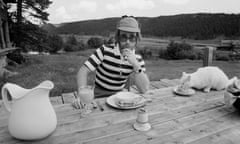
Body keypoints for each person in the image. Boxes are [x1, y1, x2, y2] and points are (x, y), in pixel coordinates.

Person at [76, 15, 150, 99]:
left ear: (137, 38)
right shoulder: (104, 50)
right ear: (118, 37)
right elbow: (83, 70)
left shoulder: (137, 58)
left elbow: (144, 89)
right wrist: (81, 93)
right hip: (98, 95)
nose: (127, 42)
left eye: (132, 37)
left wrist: (136, 65)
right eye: (123, 37)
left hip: (119, 97)